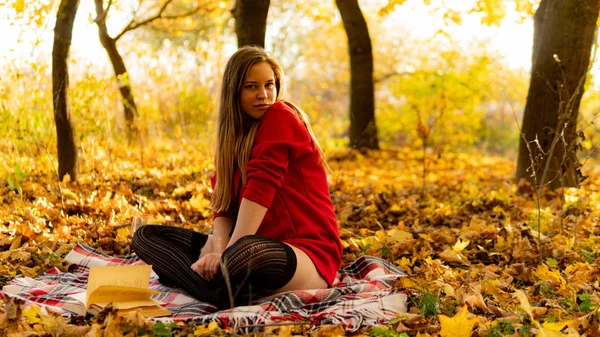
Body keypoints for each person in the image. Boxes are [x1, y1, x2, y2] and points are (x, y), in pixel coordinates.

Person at [131, 45, 342, 309]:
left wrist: (224, 254)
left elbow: (261, 188)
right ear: (234, 92)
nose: (264, 95)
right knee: (145, 236)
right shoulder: (230, 143)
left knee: (244, 253)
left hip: (304, 253)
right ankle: (219, 290)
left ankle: (207, 284)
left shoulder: (282, 116)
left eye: (269, 84)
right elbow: (223, 208)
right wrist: (219, 249)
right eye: (251, 87)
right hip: (246, 245)